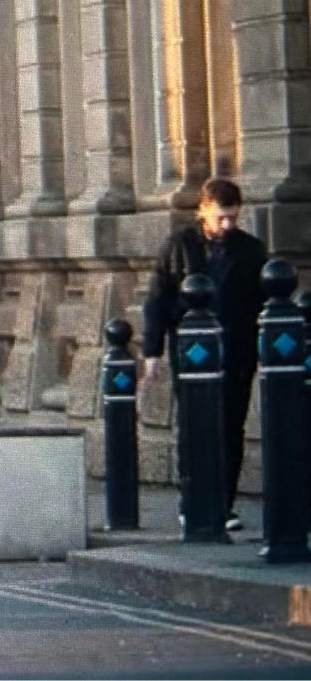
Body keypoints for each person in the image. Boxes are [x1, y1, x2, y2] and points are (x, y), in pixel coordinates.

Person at [140, 177, 266, 533]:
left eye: (233, 218)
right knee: (193, 426)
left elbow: (262, 303)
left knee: (230, 427)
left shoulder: (251, 250)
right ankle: (192, 501)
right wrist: (152, 352)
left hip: (236, 352)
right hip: (192, 352)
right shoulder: (179, 246)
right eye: (221, 218)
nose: (227, 225)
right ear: (204, 210)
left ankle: (223, 505)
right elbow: (158, 300)